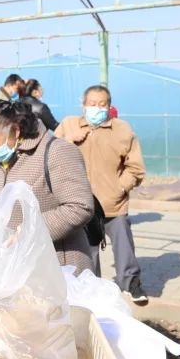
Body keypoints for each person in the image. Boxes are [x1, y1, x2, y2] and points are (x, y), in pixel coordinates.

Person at [0, 99, 95, 273]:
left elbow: (80, 207)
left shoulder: (56, 151)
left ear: (15, 129)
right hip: (16, 267)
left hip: (58, 267)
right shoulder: (1, 159)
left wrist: (30, 230)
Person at [56, 85, 147, 301]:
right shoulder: (69, 125)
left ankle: (131, 283)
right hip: (82, 203)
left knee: (124, 244)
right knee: (88, 250)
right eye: (92, 104)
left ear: (109, 105)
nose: (97, 108)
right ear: (83, 105)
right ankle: (92, 291)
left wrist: (120, 187)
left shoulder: (122, 130)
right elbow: (53, 155)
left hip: (113, 201)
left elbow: (135, 167)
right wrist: (70, 141)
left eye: (102, 104)